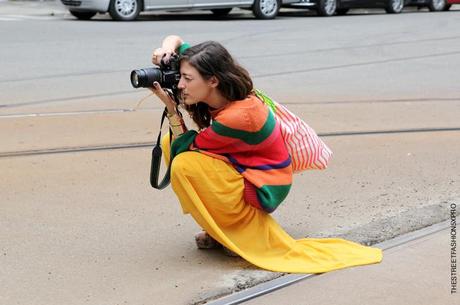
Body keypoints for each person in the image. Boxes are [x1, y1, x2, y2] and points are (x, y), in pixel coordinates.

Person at [149, 35, 382, 273]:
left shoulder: (238, 117)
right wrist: (167, 51)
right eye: (181, 77)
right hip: (243, 166)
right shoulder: (211, 75)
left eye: (187, 79)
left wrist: (171, 109)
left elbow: (186, 146)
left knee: (185, 164)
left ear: (213, 81)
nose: (180, 85)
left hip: (261, 186)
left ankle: (235, 233)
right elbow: (176, 40)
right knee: (172, 144)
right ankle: (219, 229)